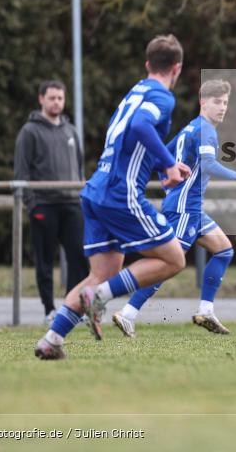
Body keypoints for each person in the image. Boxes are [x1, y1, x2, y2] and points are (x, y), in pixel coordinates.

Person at [35, 34, 192, 360]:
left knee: (101, 274)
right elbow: (140, 127)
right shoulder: (162, 97)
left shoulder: (134, 93)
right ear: (176, 68)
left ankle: (52, 340)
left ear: (147, 64)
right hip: (121, 194)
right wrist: (168, 163)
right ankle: (100, 297)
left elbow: (128, 143)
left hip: (97, 190)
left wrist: (163, 167)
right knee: (174, 259)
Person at [112, 78, 236, 337]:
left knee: (224, 250)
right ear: (203, 102)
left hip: (192, 209)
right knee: (167, 263)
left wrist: (166, 178)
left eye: (225, 103)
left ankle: (206, 311)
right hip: (184, 209)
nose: (222, 107)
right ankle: (127, 313)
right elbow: (208, 164)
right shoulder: (205, 130)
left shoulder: (190, 128)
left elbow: (161, 157)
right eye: (217, 102)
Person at [14, 80, 88, 324]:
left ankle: (72, 307)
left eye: (60, 98)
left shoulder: (71, 131)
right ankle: (49, 309)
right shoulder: (29, 131)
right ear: (41, 99)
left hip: (72, 204)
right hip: (44, 205)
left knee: (79, 257)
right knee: (45, 260)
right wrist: (32, 204)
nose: (56, 102)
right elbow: (22, 171)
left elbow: (79, 168)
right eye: (52, 98)